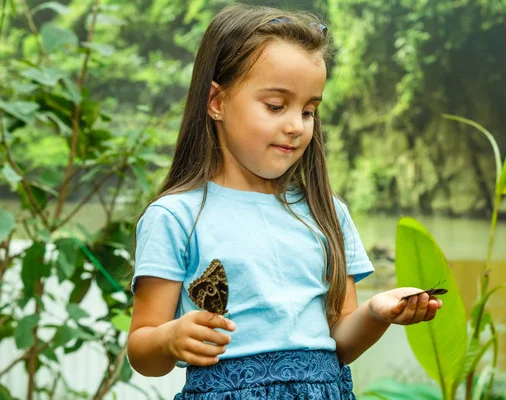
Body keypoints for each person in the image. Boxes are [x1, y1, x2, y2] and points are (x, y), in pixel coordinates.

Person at [127, 4, 443, 399]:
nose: (296, 125)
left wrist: (377, 314)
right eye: (276, 106)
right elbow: (142, 351)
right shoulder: (176, 216)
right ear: (216, 102)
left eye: (309, 110)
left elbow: (341, 342)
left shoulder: (328, 213)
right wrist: (170, 338)